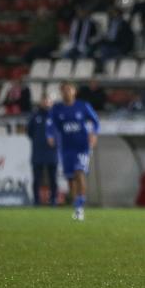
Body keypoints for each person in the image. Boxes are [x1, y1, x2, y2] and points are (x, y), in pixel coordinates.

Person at [46, 82, 99, 221]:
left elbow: (96, 121)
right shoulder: (57, 109)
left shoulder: (83, 106)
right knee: (70, 179)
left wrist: (94, 134)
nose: (66, 92)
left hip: (82, 146)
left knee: (79, 172)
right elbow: (50, 124)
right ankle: (77, 206)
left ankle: (81, 205)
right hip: (66, 148)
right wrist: (50, 136)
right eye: (63, 90)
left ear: (74, 91)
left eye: (69, 89)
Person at [26, 94, 58, 206]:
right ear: (40, 102)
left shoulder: (55, 116)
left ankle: (54, 199)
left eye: (47, 101)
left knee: (53, 178)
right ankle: (36, 200)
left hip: (52, 152)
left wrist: (55, 141)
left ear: (51, 102)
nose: (45, 103)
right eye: (44, 101)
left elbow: (59, 131)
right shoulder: (35, 116)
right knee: (37, 178)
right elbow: (29, 132)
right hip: (38, 152)